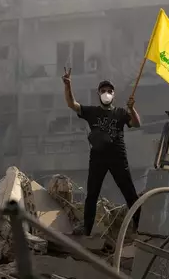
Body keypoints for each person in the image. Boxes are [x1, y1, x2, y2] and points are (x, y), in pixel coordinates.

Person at [61, 67, 142, 236]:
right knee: (92, 193)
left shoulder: (121, 112)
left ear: (114, 94)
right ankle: (87, 228)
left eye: (109, 91)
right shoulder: (92, 112)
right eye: (103, 90)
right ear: (98, 93)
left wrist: (132, 108)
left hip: (118, 158)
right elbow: (71, 104)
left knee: (129, 192)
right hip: (98, 158)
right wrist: (68, 85)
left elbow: (136, 124)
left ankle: (139, 225)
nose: (106, 93)